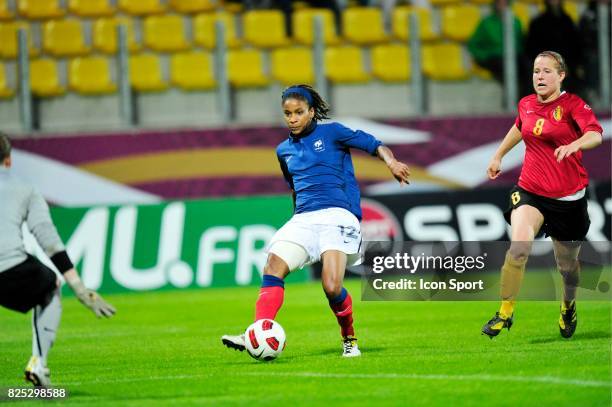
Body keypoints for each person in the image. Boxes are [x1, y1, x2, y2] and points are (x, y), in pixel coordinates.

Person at [221, 84, 410, 357]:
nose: (293, 118)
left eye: (299, 112)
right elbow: (295, 189)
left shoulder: (332, 132)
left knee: (331, 285)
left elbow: (374, 145)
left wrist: (391, 162)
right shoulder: (283, 150)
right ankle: (257, 331)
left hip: (338, 215)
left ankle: (349, 339)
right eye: (288, 113)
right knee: (273, 265)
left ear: (311, 112)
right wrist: (296, 221)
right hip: (304, 219)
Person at [481, 51, 603, 339]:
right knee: (519, 247)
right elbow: (520, 127)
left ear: (561, 76)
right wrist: (498, 154)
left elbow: (596, 133)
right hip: (531, 191)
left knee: (567, 268)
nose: (540, 76)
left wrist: (576, 145)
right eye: (537, 71)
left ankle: (568, 305)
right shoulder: (526, 104)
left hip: (568, 200)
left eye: (547, 71)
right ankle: (505, 311)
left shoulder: (573, 105)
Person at [0, 133, 116, 387]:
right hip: (8, 267)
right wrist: (80, 289)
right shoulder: (24, 189)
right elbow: (48, 240)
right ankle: (39, 365)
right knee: (50, 284)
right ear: (8, 161)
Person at [467, 0, 531, 99]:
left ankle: (525, 102)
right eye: (499, 3)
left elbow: (520, 43)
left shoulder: (515, 22)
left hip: (514, 56)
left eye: (505, 3)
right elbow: (473, 44)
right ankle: (510, 99)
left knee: (528, 68)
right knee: (505, 69)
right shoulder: (486, 23)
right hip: (494, 57)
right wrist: (484, 56)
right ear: (495, 5)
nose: (502, 6)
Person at [525, 0, 582, 93]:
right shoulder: (538, 22)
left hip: (566, 63)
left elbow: (575, 46)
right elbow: (531, 48)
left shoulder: (567, 21)